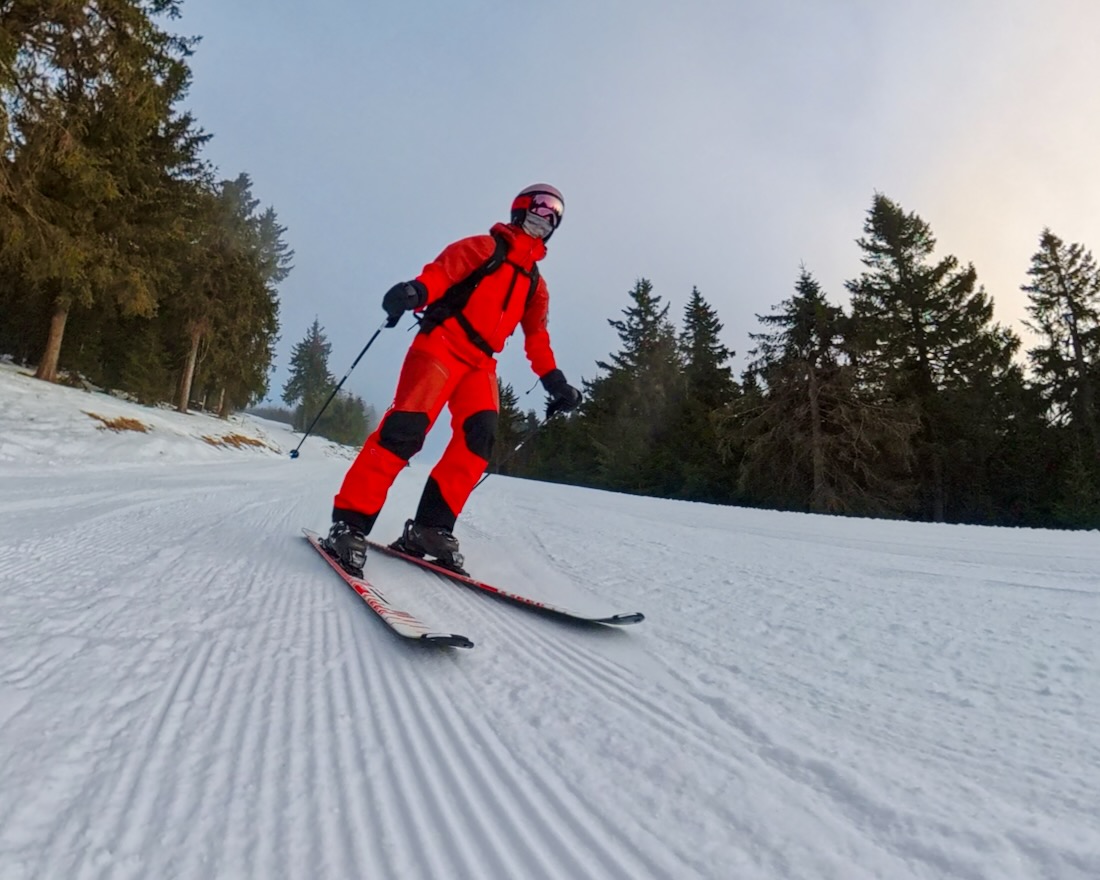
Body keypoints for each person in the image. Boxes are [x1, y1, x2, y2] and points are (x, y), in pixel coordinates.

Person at [323, 184, 582, 576]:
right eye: (541, 206)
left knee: (479, 440)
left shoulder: (536, 286)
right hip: (441, 345)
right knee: (404, 432)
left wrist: (554, 381)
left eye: (555, 213)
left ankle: (429, 529)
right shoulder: (482, 248)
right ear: (520, 208)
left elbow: (536, 338)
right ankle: (349, 524)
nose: (546, 216)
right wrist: (414, 292)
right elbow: (440, 275)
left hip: (480, 364)